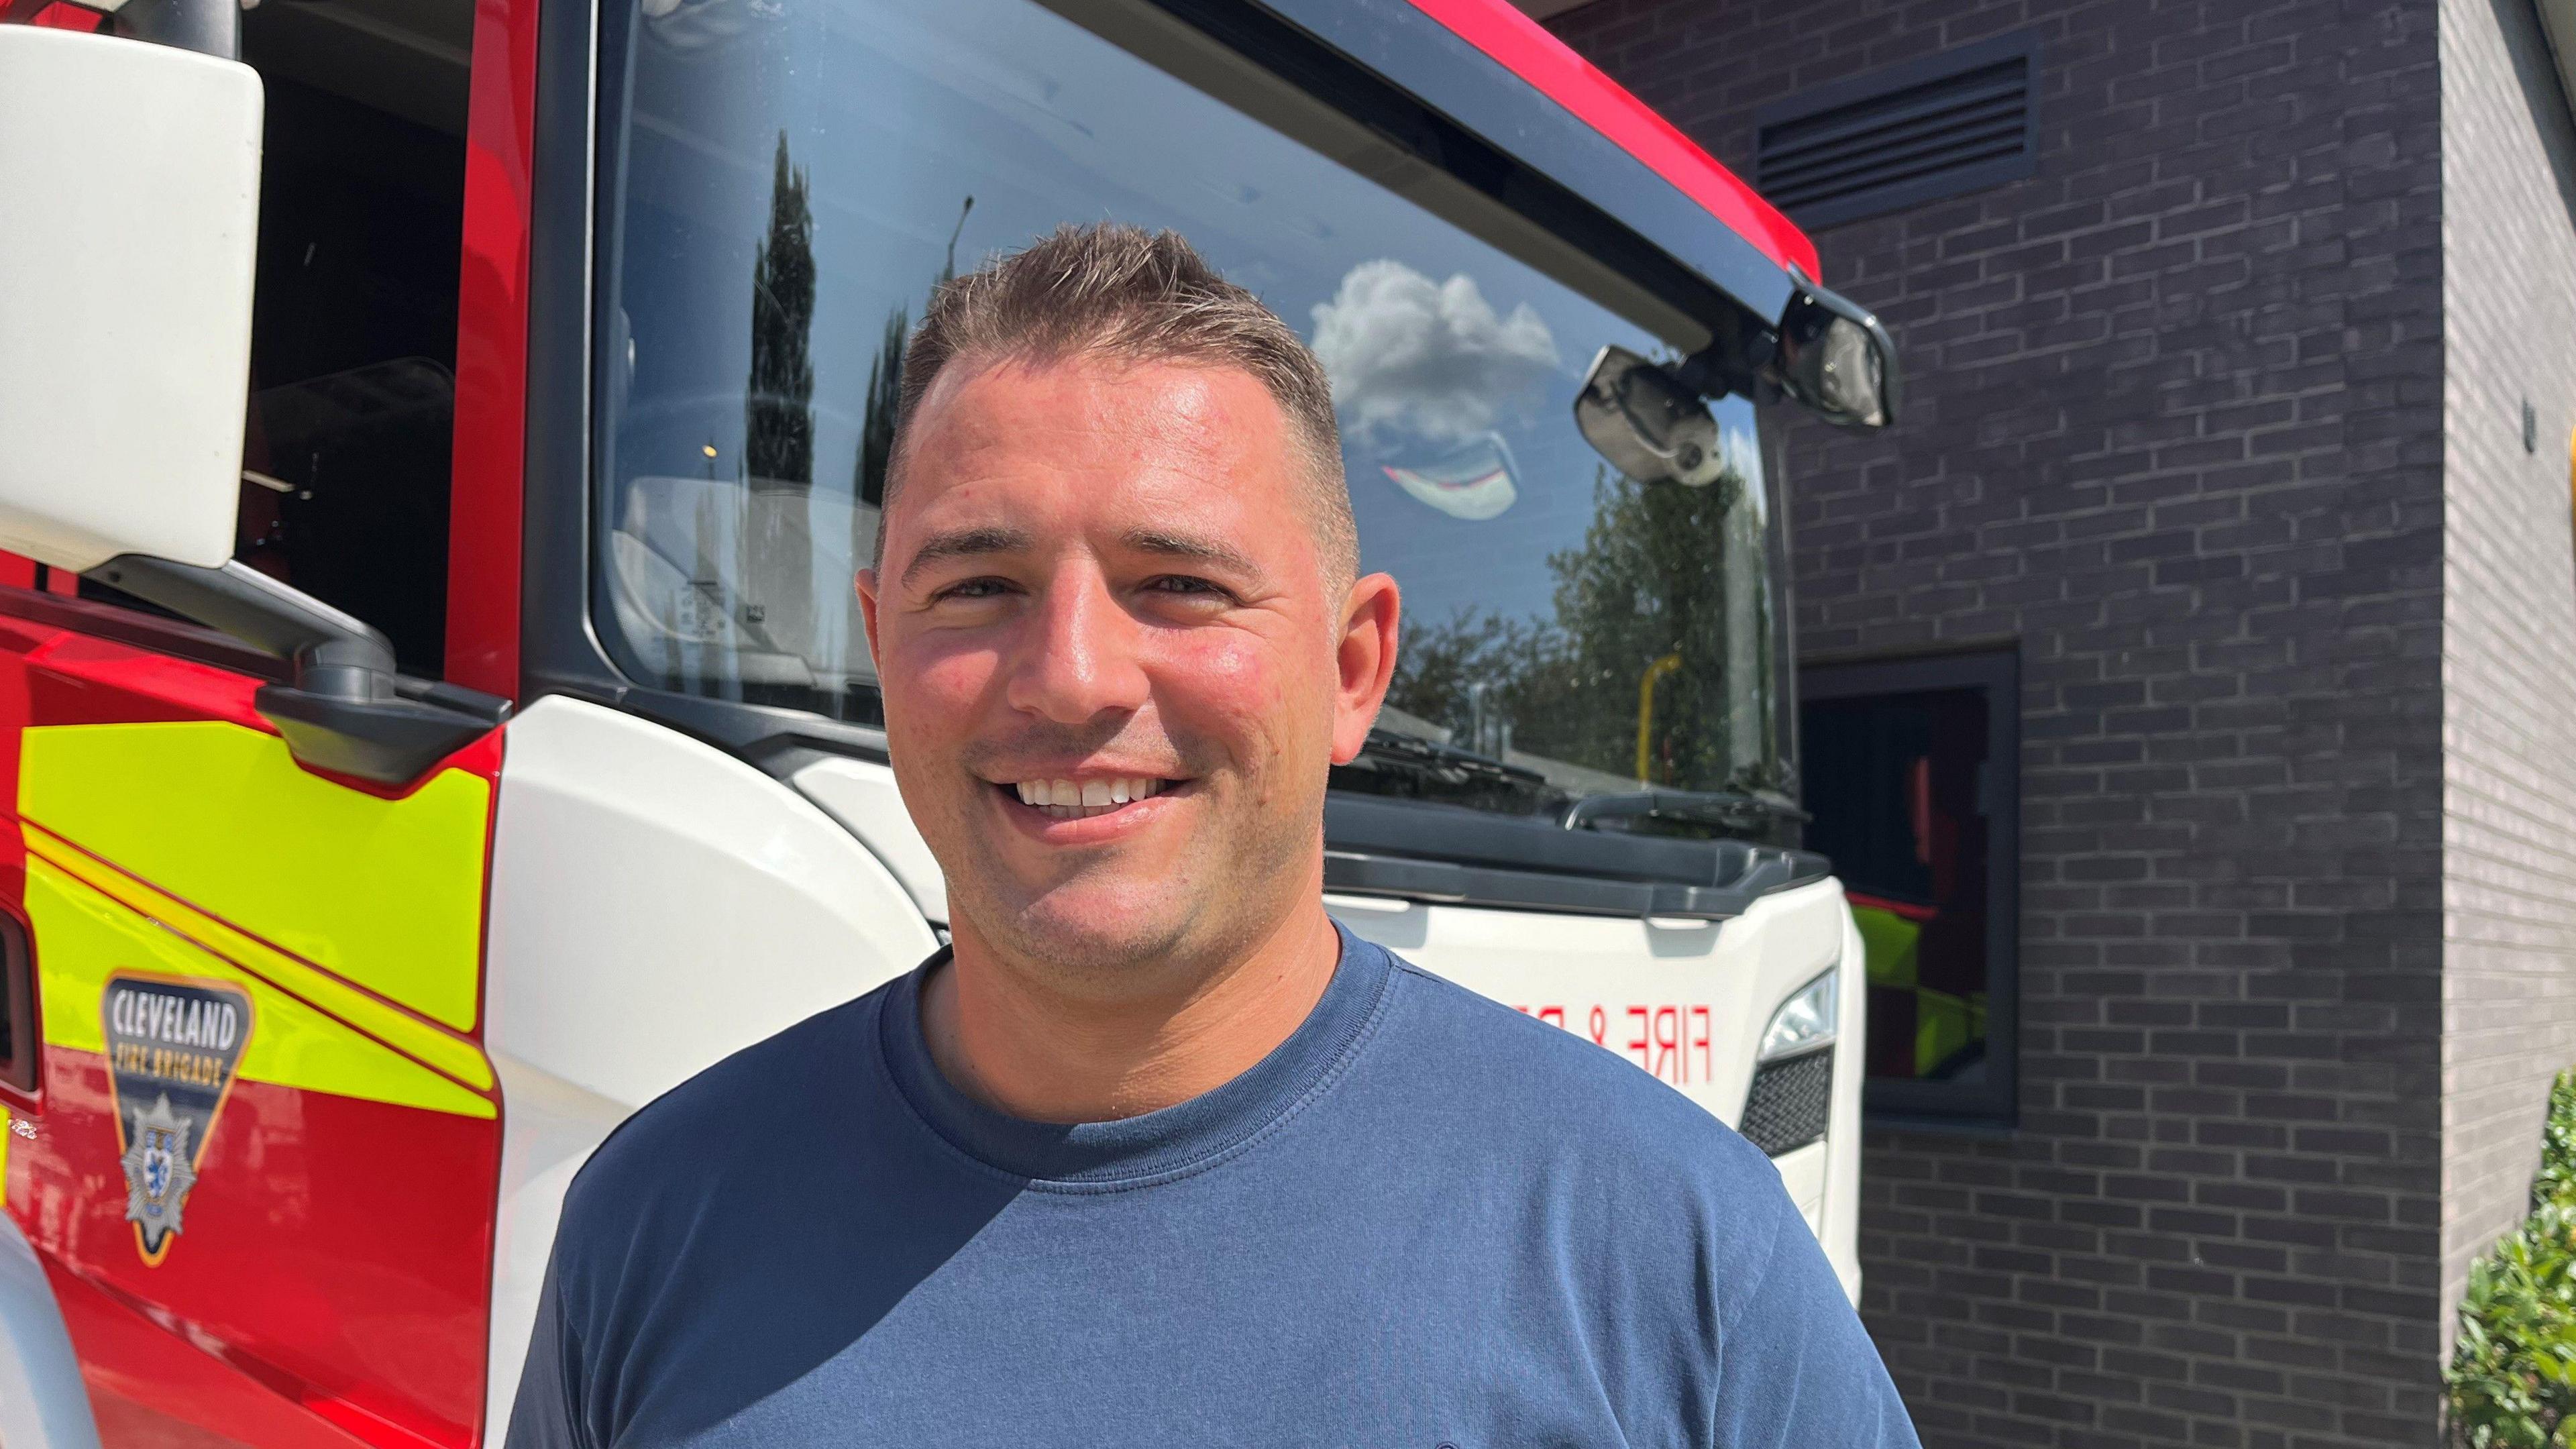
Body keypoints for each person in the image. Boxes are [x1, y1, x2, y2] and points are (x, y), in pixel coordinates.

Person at [506, 223, 1922, 1448]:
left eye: (1177, 584)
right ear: (882, 647)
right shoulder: (654, 1217)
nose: (1069, 676)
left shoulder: (1682, 1256)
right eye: (979, 583)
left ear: (1356, 668)